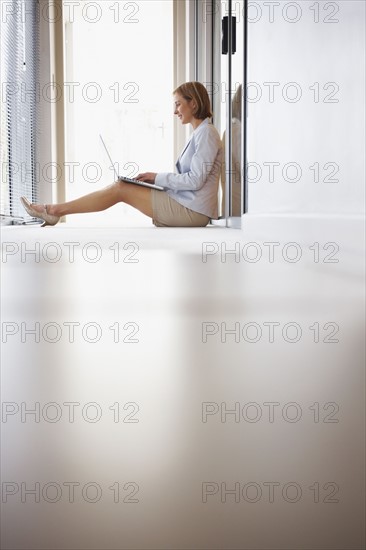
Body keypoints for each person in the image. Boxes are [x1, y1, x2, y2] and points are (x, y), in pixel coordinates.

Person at [20, 81, 223, 228]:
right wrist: (155, 179)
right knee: (123, 186)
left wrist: (156, 177)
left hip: (194, 212)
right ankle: (54, 210)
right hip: (187, 204)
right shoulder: (201, 133)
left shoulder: (206, 133)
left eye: (178, 104)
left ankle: (54, 211)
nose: (175, 111)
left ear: (193, 104)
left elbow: (195, 181)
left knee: (121, 189)